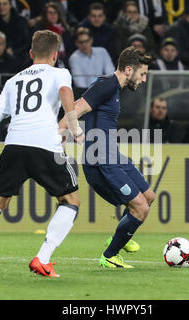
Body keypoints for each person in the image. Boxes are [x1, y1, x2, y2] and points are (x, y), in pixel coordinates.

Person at [0, 30, 82, 278]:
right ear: (55, 55)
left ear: (31, 53)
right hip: (45, 144)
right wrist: (75, 126)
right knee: (71, 200)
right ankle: (42, 259)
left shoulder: (13, 81)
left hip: (13, 145)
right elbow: (66, 93)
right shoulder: (59, 72)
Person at [59, 47, 155, 268]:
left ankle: (118, 239)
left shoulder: (115, 89)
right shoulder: (107, 85)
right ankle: (110, 255)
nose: (143, 80)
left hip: (113, 156)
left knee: (148, 196)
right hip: (101, 161)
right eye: (142, 74)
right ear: (129, 70)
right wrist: (61, 135)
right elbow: (75, 108)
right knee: (140, 208)